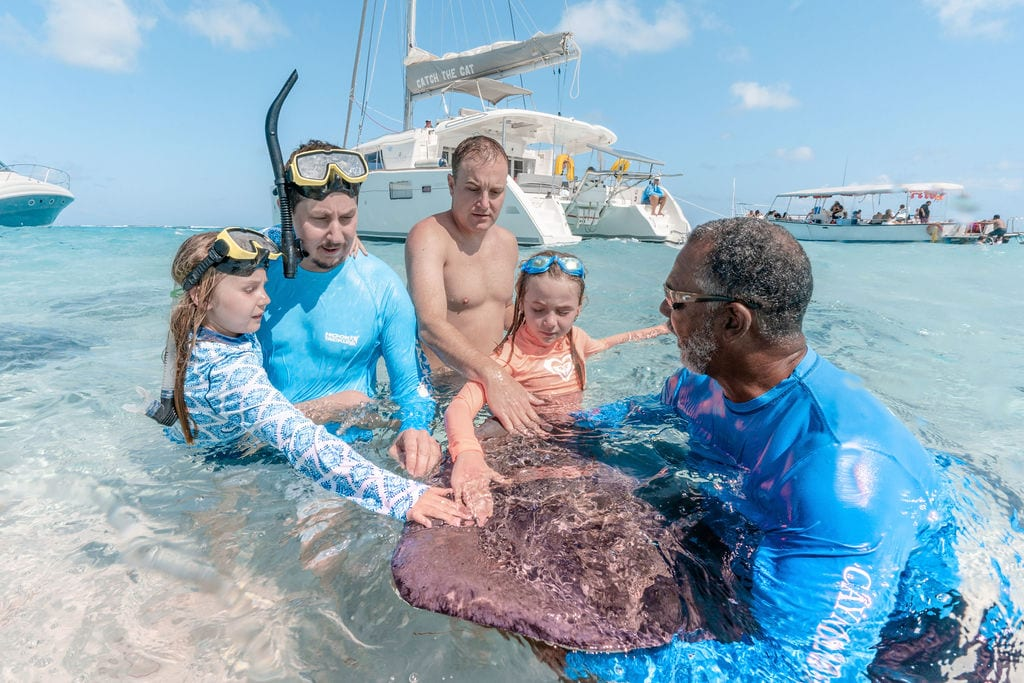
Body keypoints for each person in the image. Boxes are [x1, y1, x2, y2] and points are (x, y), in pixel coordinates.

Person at [565, 217, 943, 681]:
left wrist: (577, 655)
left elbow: (799, 673)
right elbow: (628, 419)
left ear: (732, 320)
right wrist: (533, 427)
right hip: (757, 538)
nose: (664, 311)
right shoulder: (696, 385)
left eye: (678, 299)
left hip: (910, 633)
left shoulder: (838, 474)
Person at [153, 229, 471, 528]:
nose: (265, 298)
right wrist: (402, 496)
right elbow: (303, 442)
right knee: (351, 404)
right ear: (201, 296)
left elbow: (276, 236)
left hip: (206, 435)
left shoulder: (214, 323)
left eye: (263, 285)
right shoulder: (226, 373)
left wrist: (334, 234)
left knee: (355, 404)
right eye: (250, 289)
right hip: (226, 460)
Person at [257, 140, 441, 477]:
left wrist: (414, 429)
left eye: (347, 217)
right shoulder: (255, 279)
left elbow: (412, 390)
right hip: (265, 457)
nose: (336, 235)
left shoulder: (381, 287)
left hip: (350, 459)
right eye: (320, 219)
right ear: (286, 212)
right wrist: (328, 407)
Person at [443, 250, 670, 522]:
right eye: (538, 310)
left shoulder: (577, 339)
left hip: (570, 433)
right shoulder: (508, 358)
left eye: (563, 312)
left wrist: (660, 331)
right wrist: (468, 453)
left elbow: (606, 344)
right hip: (525, 442)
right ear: (521, 303)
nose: (550, 323)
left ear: (579, 308)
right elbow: (458, 408)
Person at [406, 135, 547, 436]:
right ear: (451, 185)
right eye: (472, 189)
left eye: (495, 192)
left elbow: (504, 309)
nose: (485, 203)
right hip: (441, 390)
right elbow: (429, 325)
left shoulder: (507, 242)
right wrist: (493, 375)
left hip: (491, 383)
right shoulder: (429, 236)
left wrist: (554, 337)